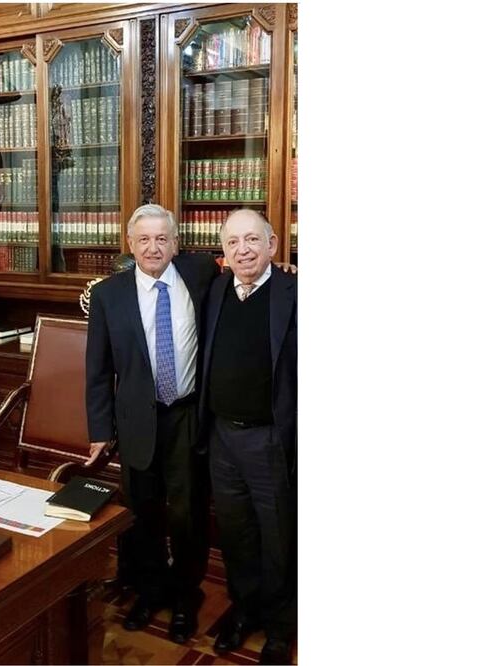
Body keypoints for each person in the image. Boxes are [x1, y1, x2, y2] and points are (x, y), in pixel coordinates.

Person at [85, 204, 218, 643]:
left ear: (176, 244)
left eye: (162, 239)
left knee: (187, 513)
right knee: (143, 513)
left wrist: (283, 265)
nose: (153, 247)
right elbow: (98, 369)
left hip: (186, 415)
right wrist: (100, 431)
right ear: (130, 244)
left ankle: (185, 597)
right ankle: (150, 590)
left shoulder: (200, 274)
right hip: (136, 419)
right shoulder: (108, 295)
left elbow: (247, 269)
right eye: (144, 239)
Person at [198, 209, 297, 664]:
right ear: (223, 252)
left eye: (253, 240)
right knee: (235, 533)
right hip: (222, 437)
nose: (243, 250)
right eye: (233, 242)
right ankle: (244, 610)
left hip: (270, 439)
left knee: (277, 536)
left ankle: (279, 627)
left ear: (272, 245)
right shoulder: (216, 289)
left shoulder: (295, 291)